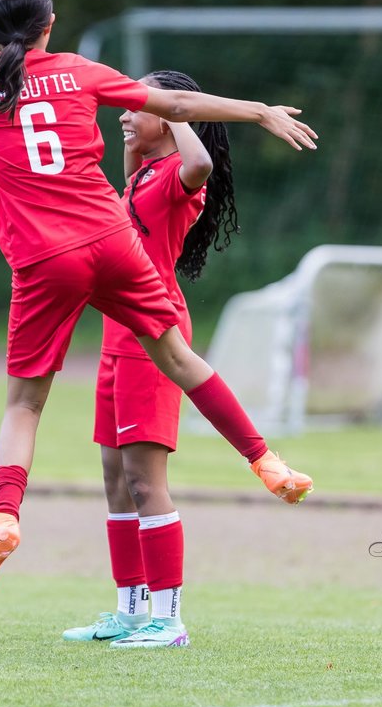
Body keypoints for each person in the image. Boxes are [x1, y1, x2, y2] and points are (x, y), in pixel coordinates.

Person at [0, 0, 316, 617]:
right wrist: (257, 110)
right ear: (49, 25)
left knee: (25, 406)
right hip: (110, 238)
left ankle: (4, 517)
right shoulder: (79, 72)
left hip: (44, 260)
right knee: (179, 357)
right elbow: (175, 107)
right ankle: (263, 460)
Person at [61, 69, 245, 649]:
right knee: (116, 481)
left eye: (135, 104)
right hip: (117, 337)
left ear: (165, 115)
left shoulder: (176, 176)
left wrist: (171, 110)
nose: (122, 112)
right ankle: (131, 611)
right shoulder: (141, 172)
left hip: (153, 332)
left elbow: (202, 167)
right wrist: (137, 132)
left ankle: (169, 621)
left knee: (146, 481)